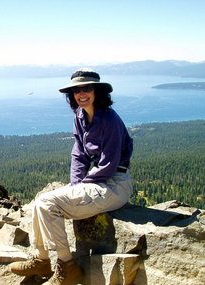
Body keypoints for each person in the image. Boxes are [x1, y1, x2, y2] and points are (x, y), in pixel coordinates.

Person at [8, 68, 134, 285]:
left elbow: (109, 164)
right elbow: (79, 154)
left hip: (114, 184)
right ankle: (41, 259)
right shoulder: (80, 116)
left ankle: (67, 267)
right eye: (77, 90)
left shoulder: (109, 120)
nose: (81, 93)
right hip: (98, 181)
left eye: (87, 88)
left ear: (97, 92)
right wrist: (75, 185)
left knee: (48, 204)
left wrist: (82, 184)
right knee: (40, 203)